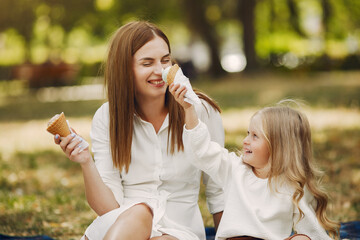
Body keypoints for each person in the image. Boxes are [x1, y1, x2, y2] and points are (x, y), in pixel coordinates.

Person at [54, 21, 225, 240]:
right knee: (139, 212)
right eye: (147, 63)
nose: (160, 71)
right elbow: (109, 207)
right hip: (121, 226)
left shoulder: (201, 111)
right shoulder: (107, 117)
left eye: (165, 60)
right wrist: (86, 162)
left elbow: (219, 191)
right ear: (124, 68)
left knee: (144, 215)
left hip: (178, 230)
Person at [169, 84, 339, 240]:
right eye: (247, 133)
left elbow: (311, 230)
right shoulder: (233, 169)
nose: (245, 141)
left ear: (278, 146)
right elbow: (201, 150)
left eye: (255, 136)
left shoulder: (292, 187)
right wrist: (189, 109)